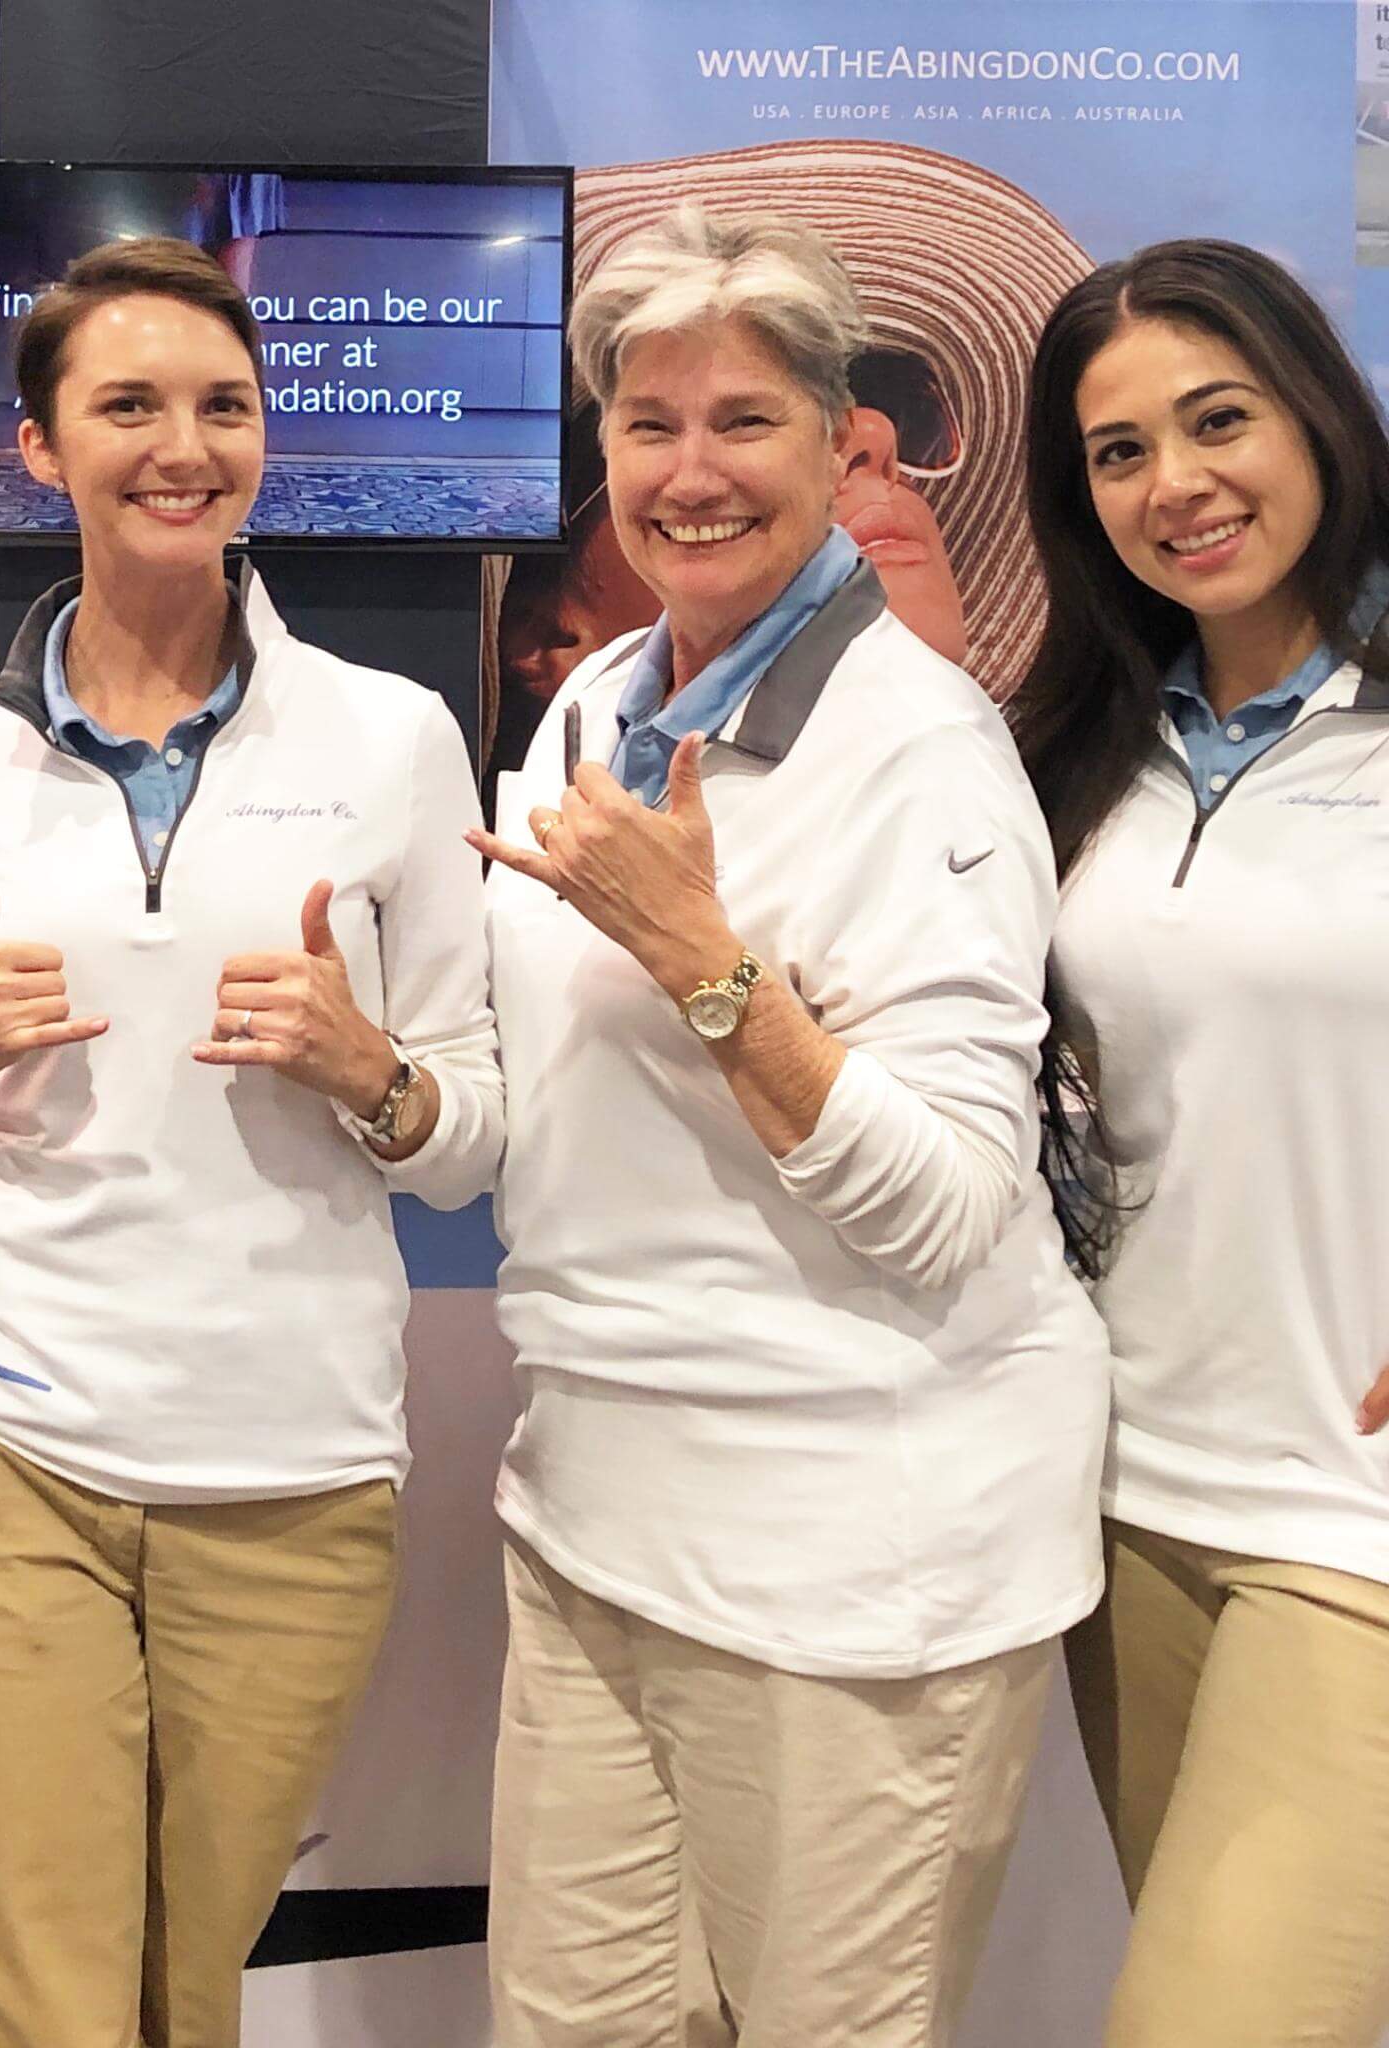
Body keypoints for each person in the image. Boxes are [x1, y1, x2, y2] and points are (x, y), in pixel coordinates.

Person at [0, 234, 501, 2048]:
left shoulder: (391, 739)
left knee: (173, 1987)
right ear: (39, 450)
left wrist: (374, 1071)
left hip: (288, 1466)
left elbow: (468, 1135)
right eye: (125, 404)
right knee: (26, 2001)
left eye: (223, 404)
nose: (180, 443)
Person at [470, 206, 1110, 2048]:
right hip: (594, 1509)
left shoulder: (918, 746)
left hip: (852, 1560)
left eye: (740, 420)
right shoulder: (599, 700)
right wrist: (385, 1076)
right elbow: (565, 1100)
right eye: (643, 423)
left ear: (843, 448)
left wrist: (707, 962)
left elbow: (951, 1209)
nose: (687, 473)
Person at [1014, 237, 1389, 2048]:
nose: (1174, 485)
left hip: (1358, 1513)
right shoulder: (1082, 751)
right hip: (1128, 1488)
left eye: (1215, 418)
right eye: (1115, 451)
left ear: (1315, 409)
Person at [488, 140, 1095, 791]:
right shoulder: (579, 728)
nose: (871, 435)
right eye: (654, 428)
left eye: (890, 396)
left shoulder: (977, 779)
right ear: (552, 638)